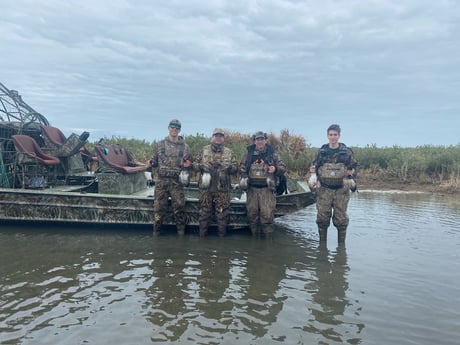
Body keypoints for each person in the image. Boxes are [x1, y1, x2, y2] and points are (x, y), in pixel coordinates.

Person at [309, 124, 357, 243]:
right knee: (322, 219)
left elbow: (355, 168)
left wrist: (352, 173)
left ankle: (341, 248)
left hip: (341, 190)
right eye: (331, 135)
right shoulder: (321, 152)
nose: (333, 137)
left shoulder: (347, 152)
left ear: (339, 136)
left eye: (335, 135)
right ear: (327, 136)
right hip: (324, 190)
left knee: (341, 220)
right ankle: (322, 247)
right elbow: (316, 166)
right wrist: (312, 173)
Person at [146, 119, 192, 235]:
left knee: (180, 210)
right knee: (158, 210)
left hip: (177, 183)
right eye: (172, 126)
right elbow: (154, 162)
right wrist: (150, 163)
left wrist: (188, 166)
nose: (174, 129)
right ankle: (156, 236)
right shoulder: (159, 145)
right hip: (161, 183)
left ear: (180, 130)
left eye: (177, 127)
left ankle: (181, 238)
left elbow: (189, 165)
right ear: (168, 128)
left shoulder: (185, 147)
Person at [239, 131, 286, 236]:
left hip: (267, 190)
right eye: (257, 139)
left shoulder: (273, 153)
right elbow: (241, 167)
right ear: (255, 141)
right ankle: (255, 239)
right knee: (252, 215)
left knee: (267, 216)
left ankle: (267, 242)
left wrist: (275, 169)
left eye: (262, 139)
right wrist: (244, 175)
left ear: (266, 140)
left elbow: (283, 168)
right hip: (252, 190)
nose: (260, 141)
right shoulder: (248, 153)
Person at [194, 128, 238, 237]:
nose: (218, 138)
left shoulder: (229, 152)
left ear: (223, 138)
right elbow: (194, 165)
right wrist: (201, 166)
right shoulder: (204, 150)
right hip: (206, 188)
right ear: (212, 137)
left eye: (220, 136)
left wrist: (229, 167)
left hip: (222, 189)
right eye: (216, 135)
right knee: (204, 214)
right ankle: (202, 238)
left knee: (223, 216)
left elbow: (236, 169)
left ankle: (221, 240)